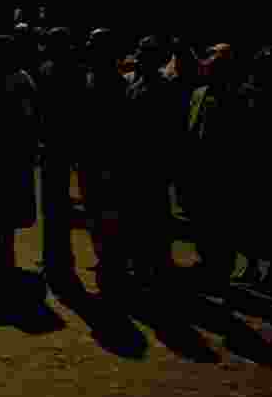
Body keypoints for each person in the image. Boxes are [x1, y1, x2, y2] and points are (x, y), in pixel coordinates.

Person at [117, 35, 185, 287]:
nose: (139, 57)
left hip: (153, 162)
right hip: (133, 161)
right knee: (135, 214)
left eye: (144, 53)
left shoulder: (165, 87)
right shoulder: (132, 83)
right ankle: (140, 262)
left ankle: (157, 265)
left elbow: (171, 128)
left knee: (154, 215)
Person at [182, 44, 249, 291]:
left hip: (223, 173)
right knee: (201, 223)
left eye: (215, 64)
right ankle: (207, 265)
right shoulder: (198, 92)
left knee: (221, 226)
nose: (208, 66)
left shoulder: (239, 96)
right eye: (209, 63)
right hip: (197, 170)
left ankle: (220, 274)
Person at [0, 34, 39, 276]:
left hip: (9, 156)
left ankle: (4, 255)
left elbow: (25, 121)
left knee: (5, 208)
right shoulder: (0, 78)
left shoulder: (19, 82)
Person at [35, 27, 88, 287]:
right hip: (55, 144)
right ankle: (55, 258)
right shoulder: (72, 70)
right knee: (54, 206)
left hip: (58, 144)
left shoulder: (61, 70)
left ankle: (57, 259)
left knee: (55, 206)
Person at [78, 28, 129, 291]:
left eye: (93, 44)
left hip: (108, 160)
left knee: (108, 213)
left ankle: (113, 261)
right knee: (94, 212)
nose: (88, 48)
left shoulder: (117, 84)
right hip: (90, 159)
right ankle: (106, 258)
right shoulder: (89, 78)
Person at [237, 46, 272, 288]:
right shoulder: (249, 91)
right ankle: (254, 267)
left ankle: (269, 270)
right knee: (253, 220)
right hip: (254, 163)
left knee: (271, 220)